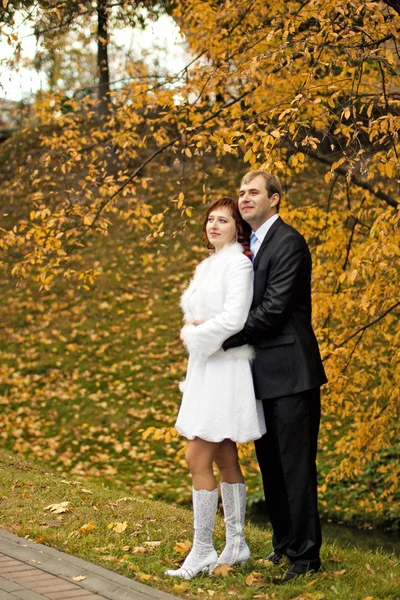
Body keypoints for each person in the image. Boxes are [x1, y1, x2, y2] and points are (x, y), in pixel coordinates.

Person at [223, 170, 327, 583]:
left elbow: (275, 310)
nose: (245, 198)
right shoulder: (248, 245)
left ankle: (306, 557)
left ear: (275, 199)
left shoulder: (289, 243)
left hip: (291, 372)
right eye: (242, 193)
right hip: (260, 375)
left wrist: (224, 337)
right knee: (271, 465)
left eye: (254, 192)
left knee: (296, 466)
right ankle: (284, 545)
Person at [165, 197, 266, 580]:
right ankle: (237, 542)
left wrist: (195, 335)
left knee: (196, 456)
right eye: (209, 219)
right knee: (224, 455)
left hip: (226, 367)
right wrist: (196, 331)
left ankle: (204, 549)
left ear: (237, 227)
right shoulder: (208, 265)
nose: (213, 225)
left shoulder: (239, 264)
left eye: (222, 220)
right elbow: (199, 313)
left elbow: (235, 318)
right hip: (207, 367)